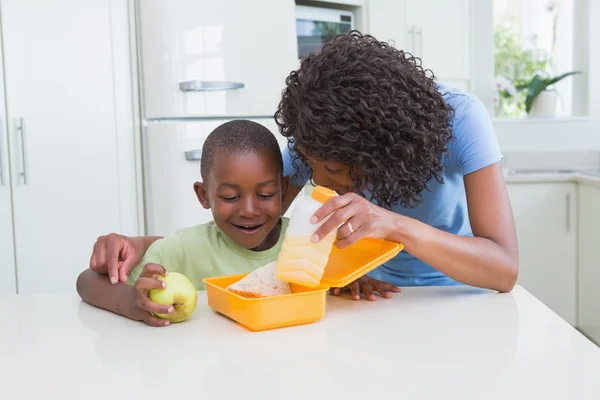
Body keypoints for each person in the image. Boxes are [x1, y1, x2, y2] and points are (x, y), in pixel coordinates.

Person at [89, 30, 518, 300]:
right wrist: (146, 246)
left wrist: (394, 225)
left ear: (376, 151)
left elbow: (503, 269)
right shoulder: (319, 138)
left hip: (454, 297)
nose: (320, 181)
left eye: (331, 169)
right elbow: (252, 227)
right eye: (312, 165)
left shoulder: (462, 121)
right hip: (356, 298)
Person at [79, 120, 395, 327]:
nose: (248, 210)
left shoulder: (312, 241)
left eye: (266, 194)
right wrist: (130, 302)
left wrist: (350, 281)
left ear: (284, 189)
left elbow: (334, 288)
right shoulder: (183, 249)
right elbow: (86, 282)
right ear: (204, 195)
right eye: (230, 197)